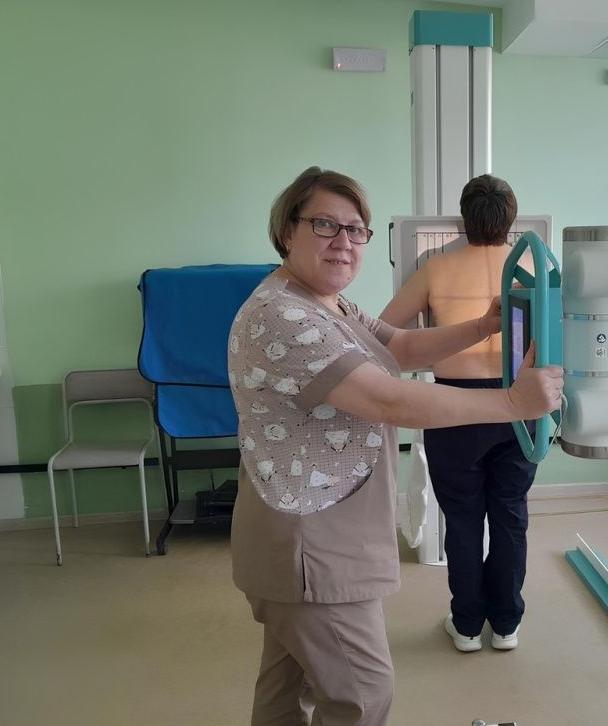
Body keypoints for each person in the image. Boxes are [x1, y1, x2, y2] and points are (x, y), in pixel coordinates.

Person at [227, 166, 562, 726]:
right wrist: (511, 404)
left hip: (312, 531)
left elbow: (398, 346)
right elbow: (386, 400)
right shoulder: (283, 316)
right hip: (310, 543)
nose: (344, 241)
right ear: (287, 230)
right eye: (325, 224)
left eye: (356, 229)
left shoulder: (328, 304)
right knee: (363, 696)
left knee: (288, 687)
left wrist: (483, 325)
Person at [380, 174, 537, 654]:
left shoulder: (436, 269)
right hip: (520, 404)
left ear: (463, 220)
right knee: (510, 516)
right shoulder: (534, 267)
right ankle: (506, 625)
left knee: (464, 519)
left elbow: (383, 331)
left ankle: (467, 625)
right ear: (512, 218)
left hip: (453, 408)